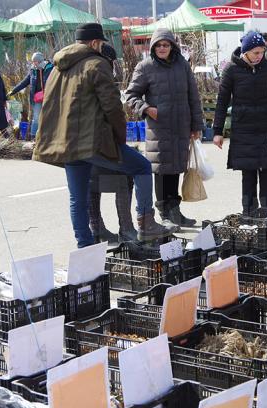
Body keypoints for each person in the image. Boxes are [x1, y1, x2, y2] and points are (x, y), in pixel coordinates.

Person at [33, 23, 173, 247]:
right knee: (142, 167)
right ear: (95, 43)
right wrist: (119, 139)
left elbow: (49, 105)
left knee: (77, 198)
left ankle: (84, 246)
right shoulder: (96, 64)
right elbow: (113, 107)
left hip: (67, 144)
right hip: (92, 141)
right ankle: (146, 222)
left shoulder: (57, 68)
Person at [126, 28, 204, 228]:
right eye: (159, 45)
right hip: (159, 128)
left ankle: (174, 210)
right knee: (161, 170)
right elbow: (131, 95)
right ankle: (164, 213)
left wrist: (196, 124)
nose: (162, 48)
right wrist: (147, 109)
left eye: (166, 45)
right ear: (153, 47)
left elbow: (193, 97)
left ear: (172, 46)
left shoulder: (182, 66)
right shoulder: (145, 67)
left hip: (181, 126)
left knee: (176, 168)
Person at [212, 31, 267, 215]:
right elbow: (222, 101)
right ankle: (249, 212)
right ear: (245, 51)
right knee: (249, 172)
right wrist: (217, 131)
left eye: (262, 52)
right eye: (255, 53)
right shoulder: (231, 70)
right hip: (243, 128)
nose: (259, 56)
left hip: (265, 126)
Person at [88, 43, 137, 243]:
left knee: (91, 183)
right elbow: (113, 110)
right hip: (103, 139)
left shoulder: (78, 72)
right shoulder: (102, 74)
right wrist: (120, 137)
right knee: (125, 177)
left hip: (83, 142)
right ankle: (126, 227)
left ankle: (96, 227)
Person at [9, 52, 54, 138]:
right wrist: (13, 91)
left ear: (40, 61)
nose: (33, 63)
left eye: (35, 61)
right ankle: (34, 136)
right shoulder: (33, 70)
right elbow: (25, 82)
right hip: (37, 98)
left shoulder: (50, 68)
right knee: (36, 117)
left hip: (49, 97)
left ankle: (49, 136)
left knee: (49, 116)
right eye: (33, 61)